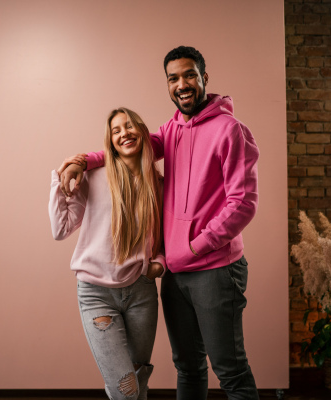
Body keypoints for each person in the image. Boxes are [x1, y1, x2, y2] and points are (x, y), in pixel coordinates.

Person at [58, 46, 260, 400]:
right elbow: (127, 147)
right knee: (188, 366)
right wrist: (83, 161)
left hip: (214, 268)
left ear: (203, 78)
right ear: (168, 84)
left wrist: (195, 245)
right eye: (173, 78)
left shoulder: (231, 130)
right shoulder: (172, 129)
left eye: (189, 75)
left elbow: (243, 205)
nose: (182, 84)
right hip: (175, 273)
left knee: (230, 371)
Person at [49, 107, 165, 400]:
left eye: (129, 126)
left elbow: (165, 238)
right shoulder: (94, 176)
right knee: (125, 390)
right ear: (110, 141)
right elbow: (60, 229)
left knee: (139, 383)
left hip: (142, 292)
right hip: (96, 294)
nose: (124, 133)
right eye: (116, 130)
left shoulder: (158, 184)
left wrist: (160, 264)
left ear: (142, 132)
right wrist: (60, 179)